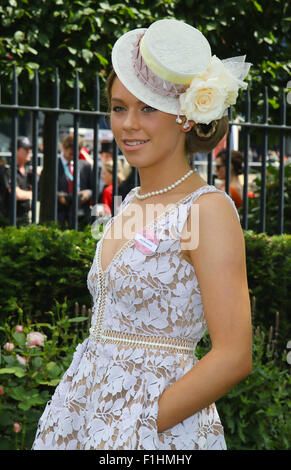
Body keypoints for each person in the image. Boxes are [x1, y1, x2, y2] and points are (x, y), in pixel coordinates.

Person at [32, 19, 252, 450]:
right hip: (79, 419)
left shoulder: (206, 211)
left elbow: (234, 356)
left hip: (153, 434)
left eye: (148, 108)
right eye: (119, 107)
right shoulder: (131, 202)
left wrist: (136, 426)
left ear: (186, 116)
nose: (129, 124)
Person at [57, 134, 93, 227]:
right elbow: (43, 190)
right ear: (64, 148)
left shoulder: (85, 166)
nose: (72, 156)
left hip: (81, 213)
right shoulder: (54, 165)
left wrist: (88, 193)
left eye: (75, 153)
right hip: (60, 214)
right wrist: (57, 195)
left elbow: (94, 188)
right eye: (70, 153)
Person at [0, 137, 33, 225]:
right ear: (16, 150)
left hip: (25, 218)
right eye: (26, 149)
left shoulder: (28, 171)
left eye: (30, 149)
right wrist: (32, 194)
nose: (29, 151)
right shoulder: (8, 170)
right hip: (10, 220)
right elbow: (16, 194)